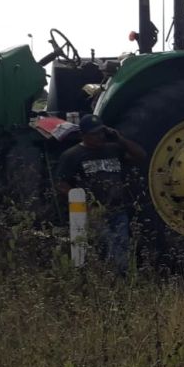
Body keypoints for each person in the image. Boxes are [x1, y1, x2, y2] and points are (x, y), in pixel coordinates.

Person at [57, 114, 146, 274]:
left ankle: (120, 280)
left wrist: (120, 139)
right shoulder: (73, 155)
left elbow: (140, 155)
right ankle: (108, 279)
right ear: (83, 135)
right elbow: (62, 184)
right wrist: (82, 202)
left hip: (117, 209)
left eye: (101, 133)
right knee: (106, 245)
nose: (99, 137)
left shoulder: (113, 149)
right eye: (94, 134)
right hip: (95, 211)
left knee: (121, 246)